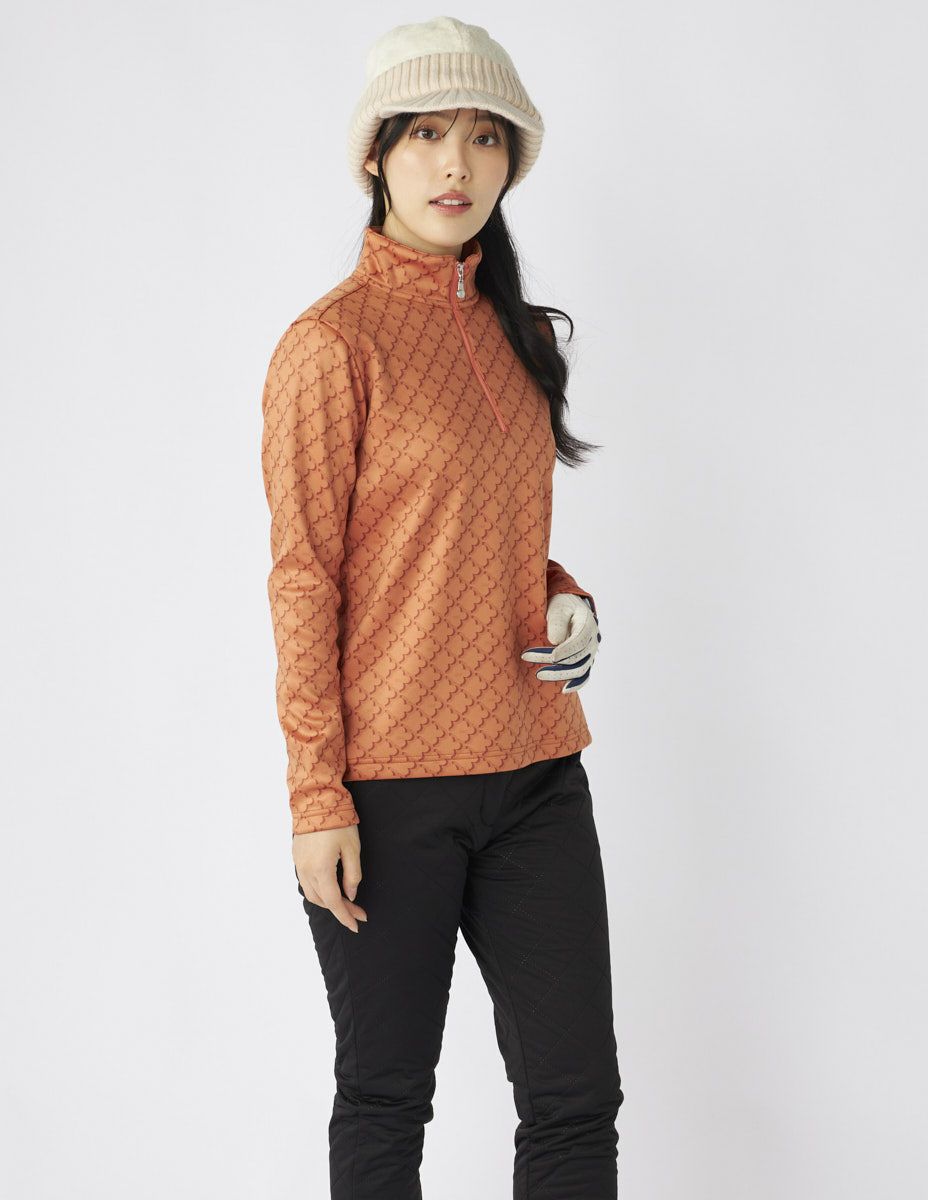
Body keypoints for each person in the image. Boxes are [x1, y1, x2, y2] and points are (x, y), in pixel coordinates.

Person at [260, 16, 624, 1199]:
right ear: (375, 154)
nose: (455, 165)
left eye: (483, 137)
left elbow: (490, 539)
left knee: (574, 1101)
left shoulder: (518, 337)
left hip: (536, 774)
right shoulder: (330, 345)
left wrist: (565, 601)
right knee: (385, 1098)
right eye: (424, 134)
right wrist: (318, 796)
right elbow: (305, 577)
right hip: (387, 792)